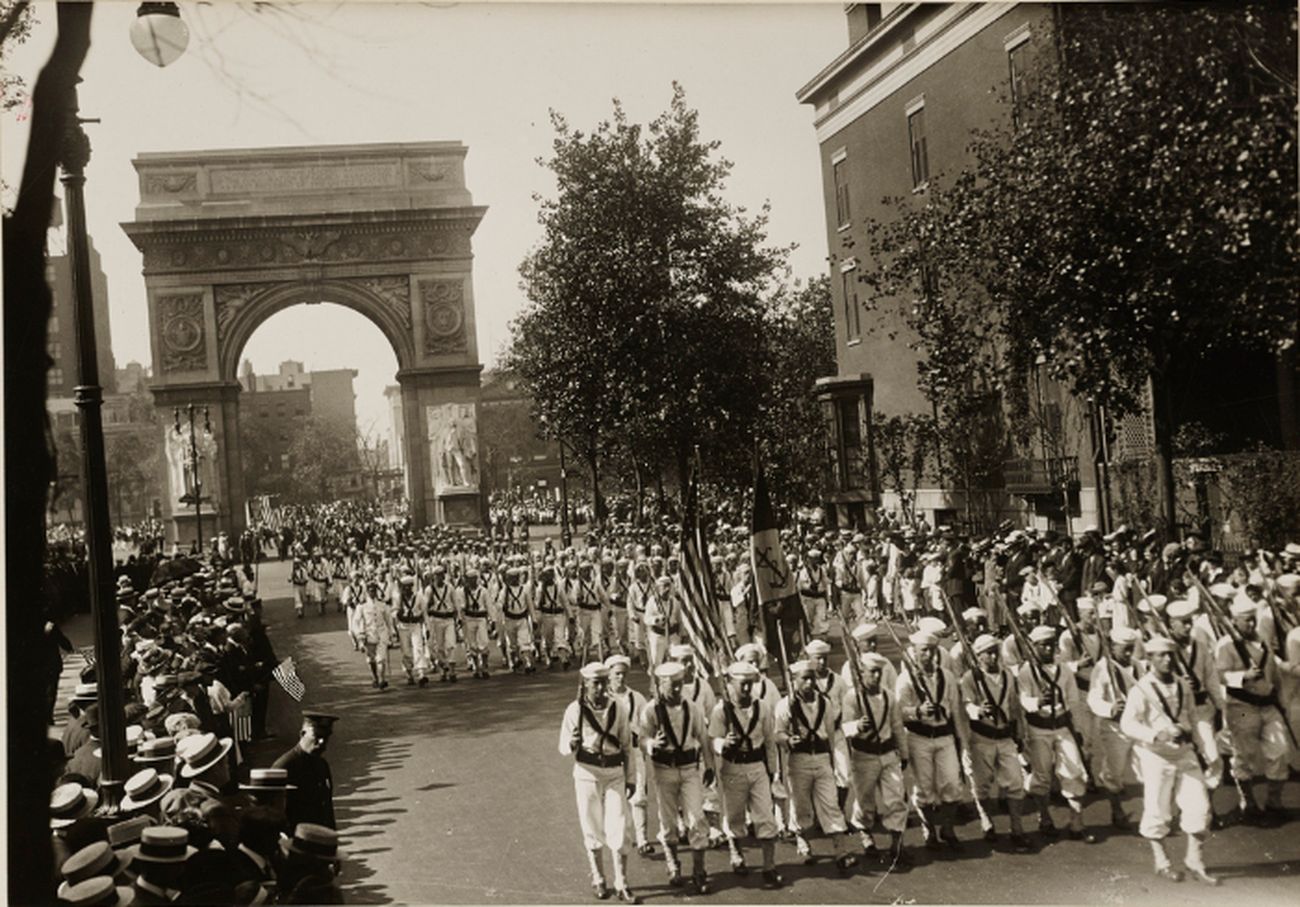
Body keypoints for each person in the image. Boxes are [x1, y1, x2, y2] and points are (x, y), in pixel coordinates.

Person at [1119, 636, 1219, 885]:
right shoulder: (1141, 689)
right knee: (1157, 810)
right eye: (1161, 655)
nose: (1167, 660)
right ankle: (1162, 862)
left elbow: (1193, 717)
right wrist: (1155, 734)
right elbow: (1127, 723)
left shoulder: (1183, 685)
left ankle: (1194, 859)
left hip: (1184, 752)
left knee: (1199, 806)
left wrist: (1202, 748)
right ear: (1150, 658)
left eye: (1170, 655)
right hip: (1156, 756)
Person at [558, 662, 640, 904]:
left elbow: (627, 746)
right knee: (591, 825)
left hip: (614, 772)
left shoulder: (619, 708)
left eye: (604, 682)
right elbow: (563, 747)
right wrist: (573, 742)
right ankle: (598, 877)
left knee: (620, 826)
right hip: (587, 772)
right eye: (595, 683)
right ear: (585, 684)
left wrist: (632, 778)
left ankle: (622, 881)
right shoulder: (575, 710)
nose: (601, 688)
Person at [774, 659, 858, 875]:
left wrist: (830, 757)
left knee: (830, 803)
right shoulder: (786, 705)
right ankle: (803, 840)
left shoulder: (825, 703)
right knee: (802, 805)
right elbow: (778, 733)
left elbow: (830, 732)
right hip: (799, 760)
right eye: (804, 679)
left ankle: (841, 851)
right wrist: (786, 740)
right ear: (794, 680)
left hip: (821, 758)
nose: (810, 683)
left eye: (812, 678)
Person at [708, 660, 783, 888]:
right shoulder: (721, 710)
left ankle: (769, 867)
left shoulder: (763, 708)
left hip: (757, 767)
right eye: (742, 684)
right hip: (733, 768)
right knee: (735, 815)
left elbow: (770, 742)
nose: (747, 689)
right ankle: (736, 852)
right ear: (731, 684)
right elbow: (712, 740)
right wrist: (723, 743)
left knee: (765, 817)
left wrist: (773, 771)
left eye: (750, 684)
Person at [639, 661, 712, 893]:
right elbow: (641, 738)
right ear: (661, 685)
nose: (678, 690)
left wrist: (709, 765)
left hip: (690, 768)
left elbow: (703, 736)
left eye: (680, 684)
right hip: (664, 770)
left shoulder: (691, 707)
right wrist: (652, 744)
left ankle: (699, 869)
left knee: (696, 818)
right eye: (673, 686)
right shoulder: (651, 710)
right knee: (668, 820)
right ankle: (673, 863)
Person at [959, 634, 1031, 851]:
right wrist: (977, 711)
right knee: (982, 784)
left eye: (994, 652)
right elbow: (966, 704)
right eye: (987, 653)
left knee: (1015, 782)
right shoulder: (970, 678)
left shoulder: (1008, 676)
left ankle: (1017, 828)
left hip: (1005, 737)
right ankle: (986, 819)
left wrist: (1019, 733)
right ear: (978, 656)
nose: (992, 657)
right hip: (981, 738)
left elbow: (1014, 706)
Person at [272, 712, 338, 829]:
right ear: (302, 734)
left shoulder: (322, 764)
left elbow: (327, 806)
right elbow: (273, 813)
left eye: (326, 737)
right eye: (317, 736)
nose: (322, 742)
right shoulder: (284, 767)